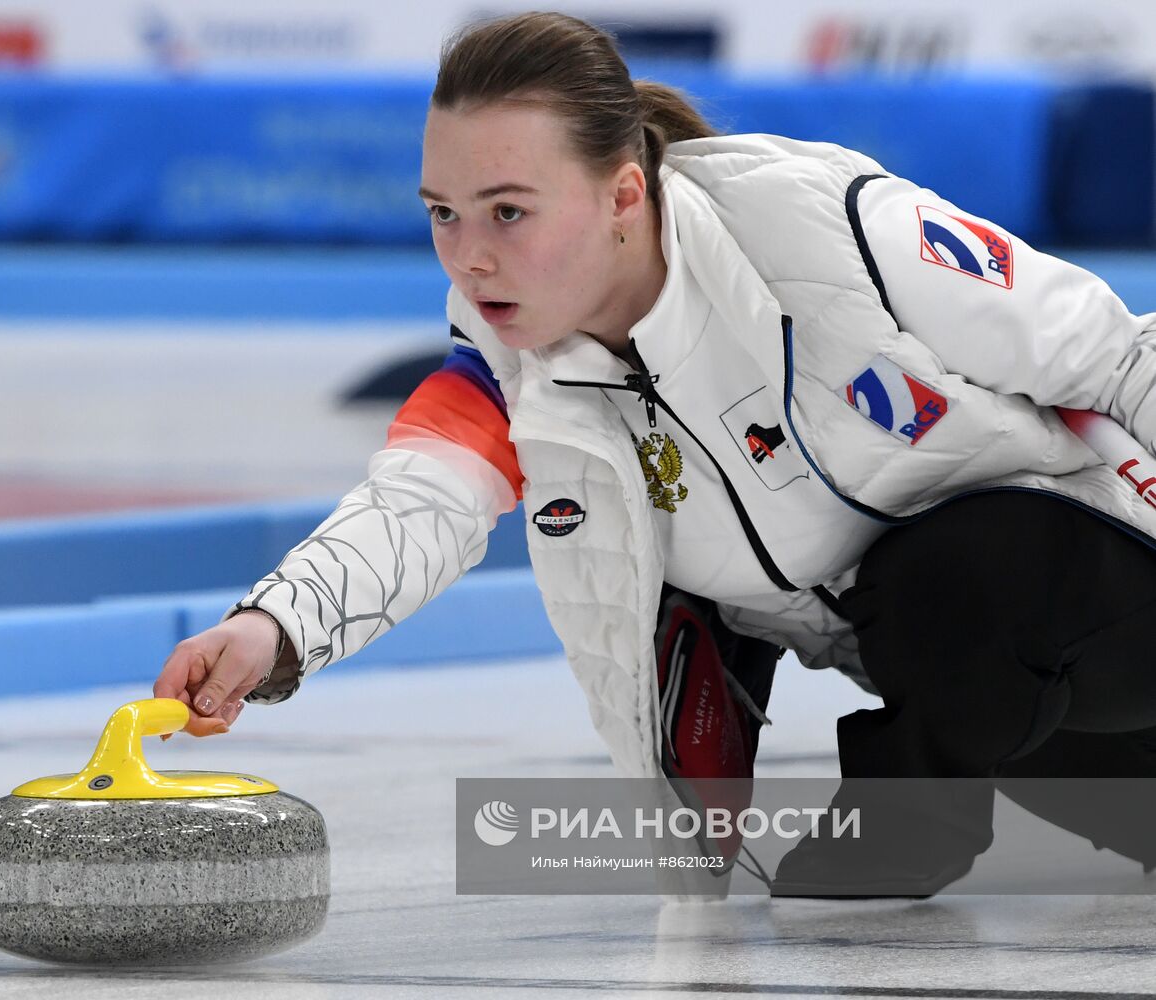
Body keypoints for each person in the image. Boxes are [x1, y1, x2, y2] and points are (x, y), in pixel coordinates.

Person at [153, 11, 1156, 897]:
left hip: (1109, 563)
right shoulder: (509, 360)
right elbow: (418, 503)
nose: (469, 255)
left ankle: (907, 817)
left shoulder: (836, 231)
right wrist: (271, 631)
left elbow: (1115, 355)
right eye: (442, 214)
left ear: (623, 194)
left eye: (507, 210)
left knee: (964, 559)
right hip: (975, 689)